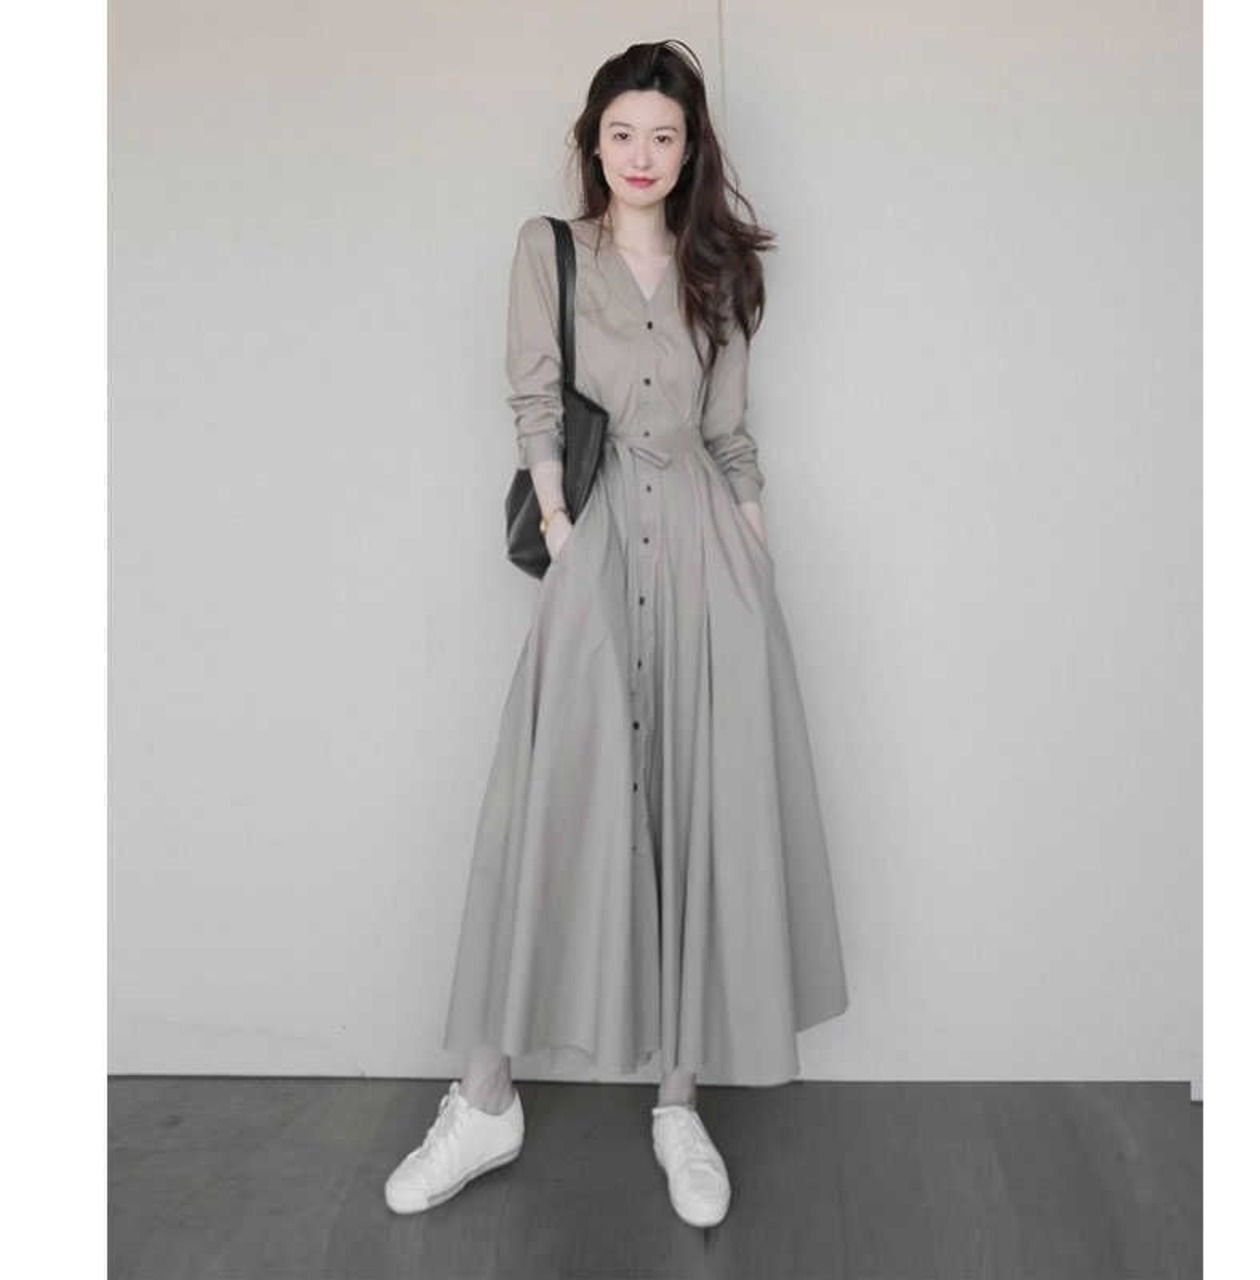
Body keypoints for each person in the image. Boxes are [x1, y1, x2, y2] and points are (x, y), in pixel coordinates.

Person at [385, 39, 849, 1228]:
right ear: (593, 142)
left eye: (663, 136)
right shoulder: (550, 251)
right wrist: (559, 532)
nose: (641, 155)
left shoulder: (718, 274)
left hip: (705, 559)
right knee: (549, 806)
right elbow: (534, 403)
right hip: (594, 552)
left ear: (690, 150)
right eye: (622, 133)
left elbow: (730, 435)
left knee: (693, 816)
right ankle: (484, 1099)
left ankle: (677, 1104)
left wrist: (755, 569)